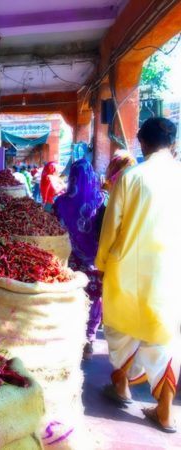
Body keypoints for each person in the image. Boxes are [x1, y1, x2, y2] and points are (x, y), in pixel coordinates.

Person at [97, 117, 180, 433]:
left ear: (142, 142)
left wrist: (102, 261)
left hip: (128, 269)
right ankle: (164, 412)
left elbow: (110, 227)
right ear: (171, 143)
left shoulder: (131, 177)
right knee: (165, 337)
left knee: (121, 329)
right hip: (170, 271)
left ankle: (120, 387)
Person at [53, 159, 107, 359]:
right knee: (94, 298)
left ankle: (71, 337)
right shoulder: (101, 200)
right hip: (95, 258)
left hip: (70, 258)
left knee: (72, 295)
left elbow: (53, 228)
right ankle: (90, 339)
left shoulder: (61, 202)